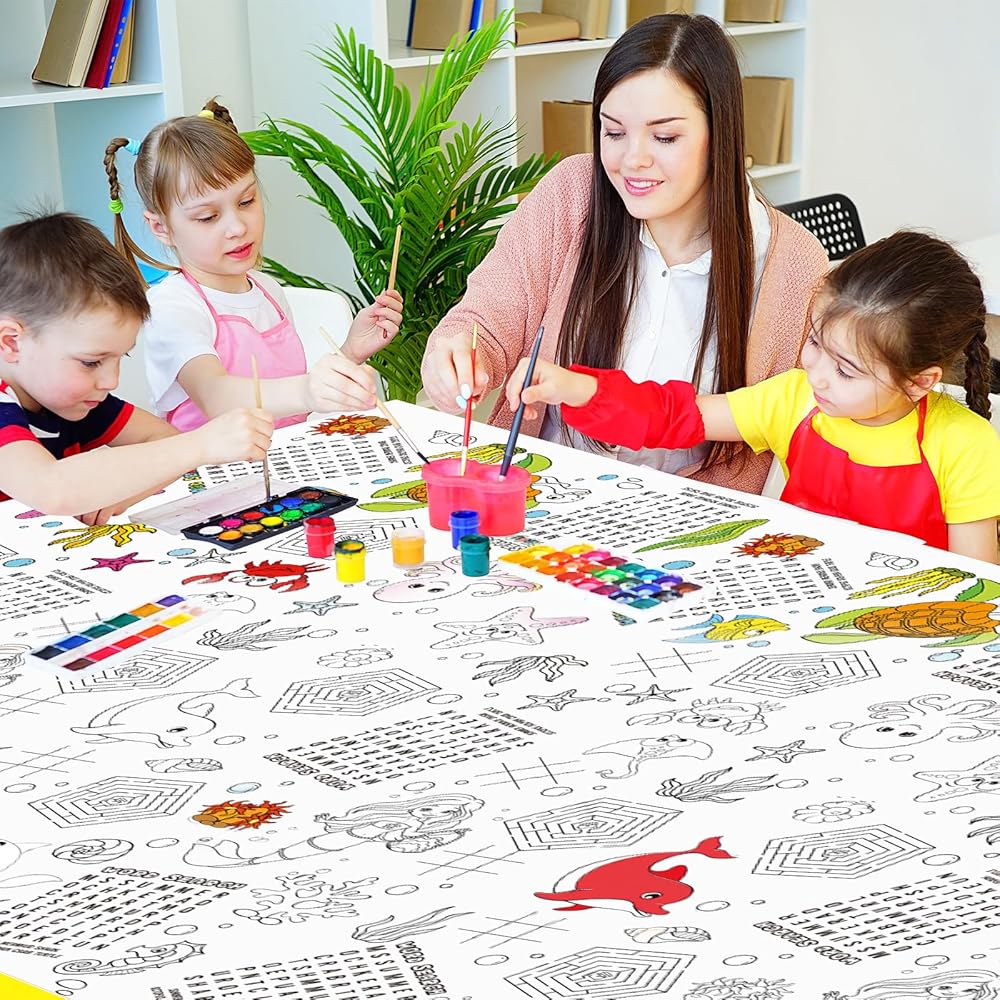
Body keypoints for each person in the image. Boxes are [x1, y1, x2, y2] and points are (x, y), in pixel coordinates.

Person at [421, 13, 827, 494]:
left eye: (665, 137)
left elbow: (812, 423)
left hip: (691, 520)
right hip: (542, 498)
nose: (633, 160)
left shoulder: (793, 266)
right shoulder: (571, 194)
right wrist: (458, 356)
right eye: (613, 133)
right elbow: (485, 320)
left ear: (721, 133)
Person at [505, 231, 1000, 562]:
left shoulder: (964, 446)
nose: (817, 374)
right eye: (814, 343)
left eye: (846, 370)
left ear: (920, 382)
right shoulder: (795, 399)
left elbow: (976, 587)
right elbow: (676, 416)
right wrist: (579, 388)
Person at [104, 98, 403, 430]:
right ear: (161, 228)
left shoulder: (268, 290)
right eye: (208, 217)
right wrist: (307, 390)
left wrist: (350, 352)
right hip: (216, 463)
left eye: (246, 201)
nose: (237, 227)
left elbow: (288, 408)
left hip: (285, 458)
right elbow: (216, 395)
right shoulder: (172, 306)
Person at [0, 212, 272, 524]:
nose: (111, 381)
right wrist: (202, 444)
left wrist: (120, 492)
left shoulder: (69, 399)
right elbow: (52, 488)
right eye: (91, 362)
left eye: (120, 358)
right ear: (11, 342)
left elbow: (163, 438)